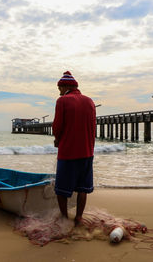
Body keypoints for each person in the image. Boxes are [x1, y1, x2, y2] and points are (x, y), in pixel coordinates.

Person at [52, 71, 96, 225]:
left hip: (68, 152)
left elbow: (57, 127)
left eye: (60, 88)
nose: (59, 92)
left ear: (65, 86)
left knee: (61, 189)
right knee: (82, 188)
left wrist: (57, 139)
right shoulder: (90, 101)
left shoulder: (62, 101)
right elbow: (93, 128)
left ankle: (64, 217)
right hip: (87, 152)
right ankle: (79, 217)